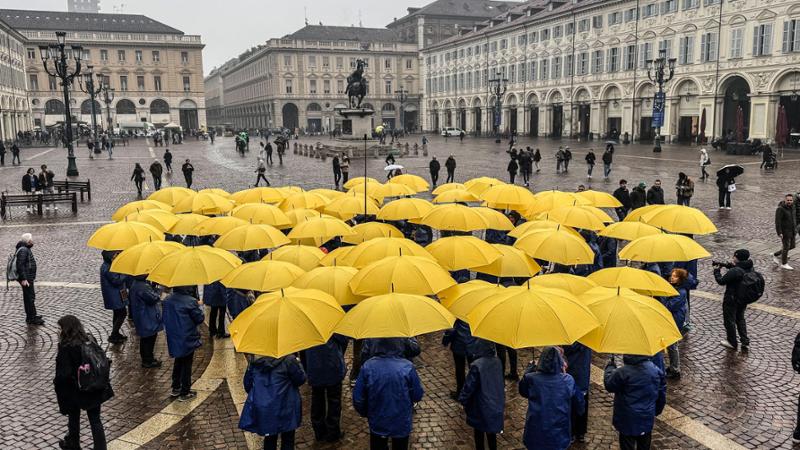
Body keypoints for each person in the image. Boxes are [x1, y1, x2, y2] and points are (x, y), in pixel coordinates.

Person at [353, 338, 424, 450]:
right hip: (401, 421)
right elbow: (417, 394)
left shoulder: (368, 366)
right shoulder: (407, 367)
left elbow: (358, 398)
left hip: (377, 419)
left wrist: (367, 412)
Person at [54, 315, 112, 450]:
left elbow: (63, 374)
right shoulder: (90, 339)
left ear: (66, 329)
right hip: (94, 387)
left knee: (73, 416)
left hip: (76, 389)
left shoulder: (66, 347)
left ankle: (73, 443)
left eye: (60, 328)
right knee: (95, 419)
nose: (58, 331)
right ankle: (100, 447)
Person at [519, 346, 585, 450]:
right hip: (559, 435)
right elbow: (580, 404)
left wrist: (529, 370)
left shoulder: (531, 378)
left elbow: (523, 391)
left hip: (535, 434)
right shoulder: (568, 380)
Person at [239, 354, 306, 450]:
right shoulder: (289, 359)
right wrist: (298, 363)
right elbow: (300, 380)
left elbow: (247, 385)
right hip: (287, 406)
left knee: (270, 439)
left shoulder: (255, 361)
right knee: (288, 438)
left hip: (266, 409)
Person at [604, 354, 666, 450]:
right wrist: (656, 411)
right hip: (646, 418)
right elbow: (661, 394)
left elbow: (609, 385)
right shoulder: (655, 370)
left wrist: (610, 368)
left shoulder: (622, 372)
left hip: (626, 419)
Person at [458, 339, 504, 450]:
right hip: (495, 403)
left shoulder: (477, 365)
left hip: (480, 404)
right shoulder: (497, 362)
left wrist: (462, 399)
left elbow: (469, 386)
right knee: (491, 433)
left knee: (478, 432)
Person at [162, 285, 205, 400]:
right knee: (186, 363)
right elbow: (200, 318)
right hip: (187, 336)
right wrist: (200, 306)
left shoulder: (167, 300)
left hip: (174, 336)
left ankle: (175, 387)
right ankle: (185, 391)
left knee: (178, 361)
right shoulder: (190, 301)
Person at [304, 334, 348, 442]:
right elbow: (343, 340)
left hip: (315, 366)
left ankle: (319, 431)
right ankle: (333, 432)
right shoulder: (333, 320)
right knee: (334, 401)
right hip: (332, 364)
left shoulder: (306, 324)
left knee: (317, 399)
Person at [713, 249, 753, 351]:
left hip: (732, 299)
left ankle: (732, 342)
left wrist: (717, 271)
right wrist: (730, 265)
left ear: (737, 258)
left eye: (734, 256)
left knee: (729, 320)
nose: (732, 258)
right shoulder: (749, 267)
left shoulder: (735, 271)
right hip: (742, 299)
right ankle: (745, 341)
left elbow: (721, 281)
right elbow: (739, 270)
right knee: (740, 319)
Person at [661, 268, 694, 379]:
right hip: (674, 319)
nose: (672, 277)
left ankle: (675, 370)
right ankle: (673, 367)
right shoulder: (677, 289)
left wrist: (664, 297)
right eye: (672, 275)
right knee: (671, 346)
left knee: (672, 346)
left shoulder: (681, 292)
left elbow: (670, 306)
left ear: (680, 279)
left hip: (676, 320)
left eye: (675, 276)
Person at [129, 275, 163, 368]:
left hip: (142, 316)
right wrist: (158, 289)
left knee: (146, 338)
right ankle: (148, 360)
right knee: (149, 338)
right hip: (147, 317)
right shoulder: (143, 286)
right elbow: (153, 298)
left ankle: (147, 358)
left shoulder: (136, 284)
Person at [563, 342, 592, 443]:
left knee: (571, 405)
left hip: (571, 374)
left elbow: (565, 352)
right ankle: (581, 433)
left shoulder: (569, 341)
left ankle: (572, 432)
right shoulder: (588, 338)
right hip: (583, 374)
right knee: (582, 403)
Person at [100, 251, 129, 344]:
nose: (116, 256)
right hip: (115, 295)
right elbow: (117, 280)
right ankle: (114, 334)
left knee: (117, 314)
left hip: (115, 294)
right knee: (122, 313)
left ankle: (115, 333)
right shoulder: (108, 267)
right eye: (115, 255)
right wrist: (125, 273)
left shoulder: (107, 265)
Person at [442, 319, 475, 399]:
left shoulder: (457, 315)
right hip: (472, 346)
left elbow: (451, 331)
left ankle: (460, 391)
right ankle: (473, 391)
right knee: (473, 369)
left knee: (460, 369)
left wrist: (445, 341)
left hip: (459, 346)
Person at [15, 233, 43, 325]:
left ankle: (32, 316)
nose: (32, 241)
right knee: (29, 298)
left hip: (28, 277)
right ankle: (31, 318)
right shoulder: (24, 250)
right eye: (31, 240)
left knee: (30, 297)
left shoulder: (25, 249)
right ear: (28, 241)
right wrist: (23, 279)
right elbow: (20, 265)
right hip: (26, 278)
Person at [774, 194, 796, 270]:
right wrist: (779, 232)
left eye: (791, 200)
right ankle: (784, 263)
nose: (789, 201)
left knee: (792, 246)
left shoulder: (792, 207)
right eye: (788, 200)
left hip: (792, 231)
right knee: (786, 247)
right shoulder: (780, 209)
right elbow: (777, 222)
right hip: (785, 231)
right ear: (785, 200)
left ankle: (776, 254)